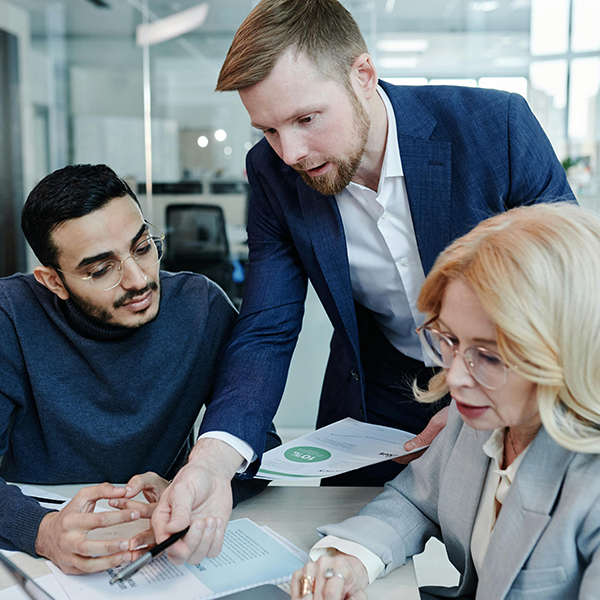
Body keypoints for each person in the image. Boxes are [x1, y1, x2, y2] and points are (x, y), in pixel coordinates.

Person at [150, 0, 575, 563]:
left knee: (507, 555)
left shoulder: (494, 127)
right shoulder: (271, 170)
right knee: (348, 553)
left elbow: (572, 291)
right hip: (378, 398)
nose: (292, 152)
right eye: (270, 129)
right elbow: (268, 327)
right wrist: (212, 458)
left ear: (363, 76)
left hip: (504, 381)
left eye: (306, 119)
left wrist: (485, 393)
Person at [289, 202, 600, 600]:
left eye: (488, 355)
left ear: (570, 351)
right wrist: (352, 559)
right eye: (450, 340)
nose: (453, 378)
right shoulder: (479, 419)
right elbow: (415, 500)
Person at [0, 164, 279, 574]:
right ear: (54, 282)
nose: (137, 279)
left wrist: (196, 481)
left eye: (143, 247)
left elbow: (258, 445)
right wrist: (40, 532)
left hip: (156, 537)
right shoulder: (10, 316)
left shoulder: (200, 307)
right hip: (38, 545)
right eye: (101, 269)